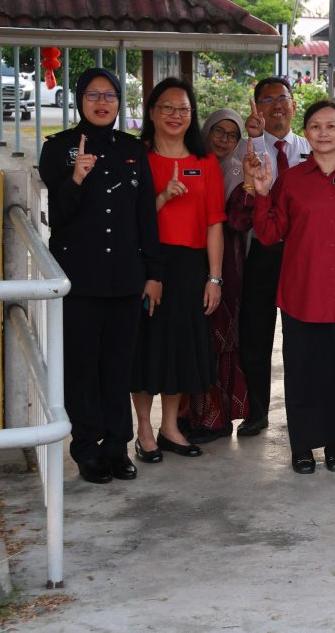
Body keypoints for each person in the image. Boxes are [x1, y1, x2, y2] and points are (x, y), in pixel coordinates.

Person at [39, 68, 162, 484]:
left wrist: (153, 273)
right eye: (93, 95)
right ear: (79, 100)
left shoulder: (132, 148)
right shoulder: (59, 149)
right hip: (80, 279)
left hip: (126, 278)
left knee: (117, 368)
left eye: (110, 95)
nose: (102, 102)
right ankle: (87, 450)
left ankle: (118, 448)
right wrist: (75, 179)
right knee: (83, 369)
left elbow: (145, 214)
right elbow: (56, 217)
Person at [251, 100, 335, 473]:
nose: (323, 133)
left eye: (331, 126)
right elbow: (269, 235)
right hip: (302, 294)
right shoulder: (291, 180)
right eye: (315, 126)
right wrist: (263, 195)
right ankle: (302, 447)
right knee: (303, 373)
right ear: (306, 133)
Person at [131, 77, 225, 462]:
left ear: (192, 115)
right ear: (151, 112)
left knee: (178, 349)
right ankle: (143, 429)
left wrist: (214, 277)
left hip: (190, 265)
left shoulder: (205, 163)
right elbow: (129, 222)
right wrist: (162, 197)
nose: (175, 115)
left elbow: (215, 223)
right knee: (146, 347)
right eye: (166, 107)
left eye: (183, 109)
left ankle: (170, 427)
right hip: (148, 264)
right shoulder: (138, 158)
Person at [231, 77, 312, 437]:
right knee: (255, 336)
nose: (277, 105)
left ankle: (305, 414)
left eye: (284, 98)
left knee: (302, 338)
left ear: (294, 106)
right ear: (257, 108)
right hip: (261, 253)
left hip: (301, 255)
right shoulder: (244, 150)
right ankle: (257, 412)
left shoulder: (312, 148)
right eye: (268, 100)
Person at [183, 109, 251, 444]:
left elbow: (238, 223)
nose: (224, 139)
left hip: (226, 266)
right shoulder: (191, 164)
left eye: (232, 134)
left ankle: (216, 418)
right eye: (218, 132)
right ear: (206, 131)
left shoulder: (239, 170)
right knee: (192, 338)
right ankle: (188, 414)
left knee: (218, 341)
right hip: (190, 261)